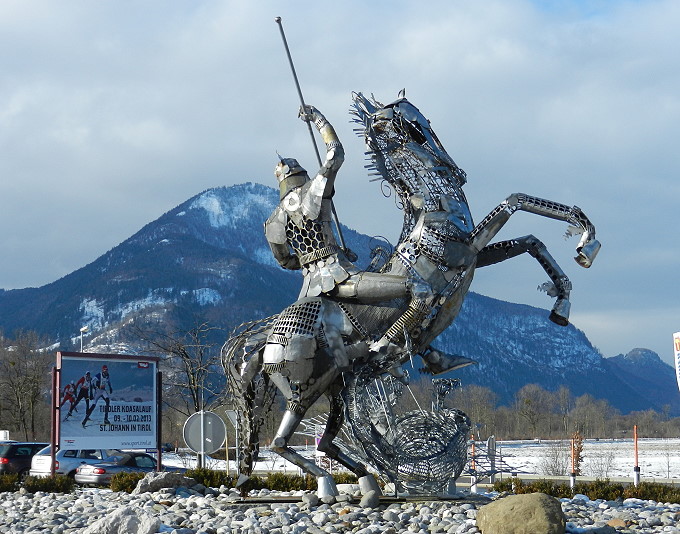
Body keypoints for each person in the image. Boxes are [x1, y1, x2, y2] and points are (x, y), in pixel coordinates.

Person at [265, 104, 410, 304]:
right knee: (411, 287)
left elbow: (286, 261)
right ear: (301, 174)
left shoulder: (273, 221)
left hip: (309, 288)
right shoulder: (312, 189)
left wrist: (321, 256)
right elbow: (335, 154)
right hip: (338, 277)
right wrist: (318, 119)